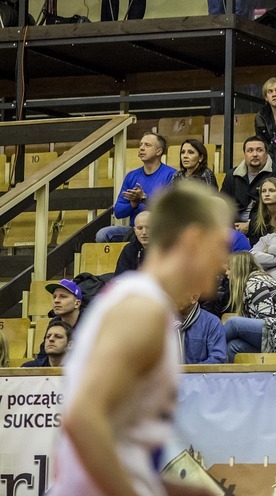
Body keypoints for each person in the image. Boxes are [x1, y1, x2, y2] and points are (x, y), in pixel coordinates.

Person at [54, 181, 233, 495]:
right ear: (193, 240)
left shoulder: (144, 303)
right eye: (220, 246)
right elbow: (82, 419)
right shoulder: (142, 310)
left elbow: (121, 449)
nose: (223, 261)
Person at [97, 132, 175, 242]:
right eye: (140, 144)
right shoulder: (131, 176)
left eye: (147, 145)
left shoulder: (171, 175)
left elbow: (170, 210)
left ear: (159, 151)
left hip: (160, 230)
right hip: (135, 230)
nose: (142, 148)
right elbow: (118, 212)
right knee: (103, 234)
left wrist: (144, 199)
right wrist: (133, 204)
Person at [220, 135, 276, 235]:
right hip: (233, 227)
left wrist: (250, 225)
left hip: (264, 228)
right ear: (244, 154)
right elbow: (223, 203)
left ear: (266, 153)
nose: (255, 154)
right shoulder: (232, 175)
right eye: (250, 150)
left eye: (259, 150)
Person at [178, 292, 226, 365]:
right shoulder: (163, 322)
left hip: (201, 373)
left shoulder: (212, 323)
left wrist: (191, 371)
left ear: (194, 297)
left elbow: (217, 359)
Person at [254, 77, 276, 153]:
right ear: (266, 97)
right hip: (269, 156)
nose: (274, 94)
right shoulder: (260, 116)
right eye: (270, 91)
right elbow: (261, 143)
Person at [247, 176, 276, 246]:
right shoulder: (256, 219)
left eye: (272, 191)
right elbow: (254, 246)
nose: (267, 194)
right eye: (263, 191)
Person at [115, 210, 150, 274]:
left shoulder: (165, 250)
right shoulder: (129, 250)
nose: (144, 232)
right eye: (140, 228)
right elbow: (121, 277)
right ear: (135, 230)